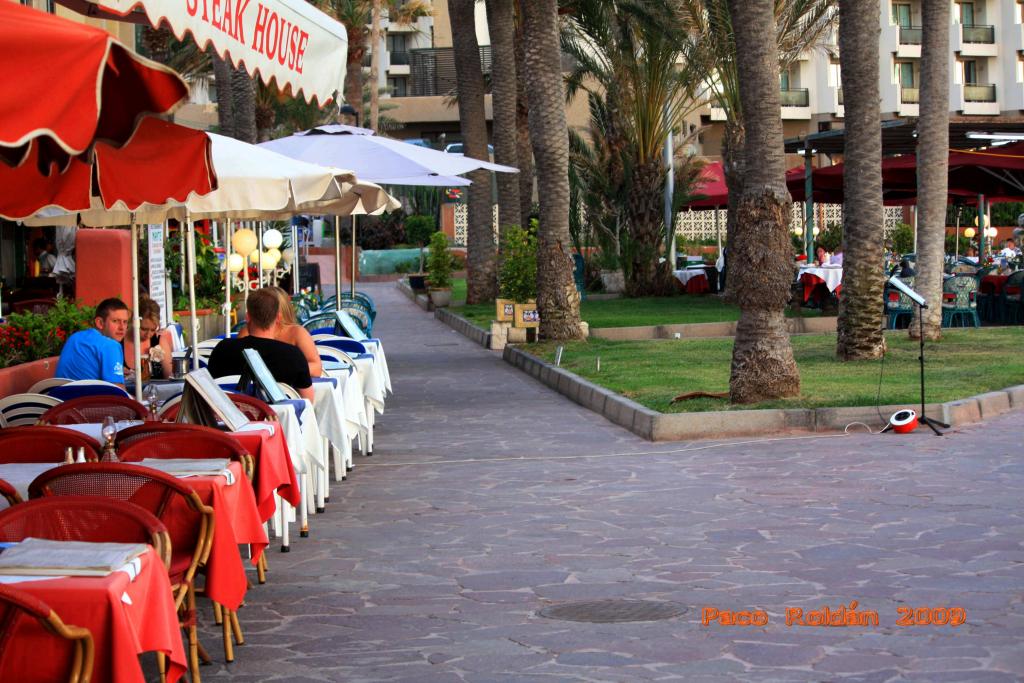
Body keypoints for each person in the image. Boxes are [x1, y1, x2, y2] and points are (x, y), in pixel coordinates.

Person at [207, 288, 314, 401]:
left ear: (247, 317)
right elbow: (308, 402)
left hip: (230, 411)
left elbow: (210, 390)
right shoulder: (292, 355)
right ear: (278, 318)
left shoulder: (222, 349)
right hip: (276, 412)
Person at [238, 286, 322, 379]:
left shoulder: (297, 333)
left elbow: (316, 368)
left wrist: (285, 370)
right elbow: (240, 363)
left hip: (292, 385)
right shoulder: (247, 331)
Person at [55, 298, 129, 384]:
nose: (122, 327)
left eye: (125, 322)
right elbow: (117, 389)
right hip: (87, 392)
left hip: (58, 391)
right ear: (100, 323)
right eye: (115, 321)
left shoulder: (75, 337)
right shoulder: (111, 345)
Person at [123, 297, 173, 380]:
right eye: (143, 329)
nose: (148, 334)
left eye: (153, 330)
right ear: (134, 321)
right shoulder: (119, 340)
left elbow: (169, 376)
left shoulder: (159, 341)